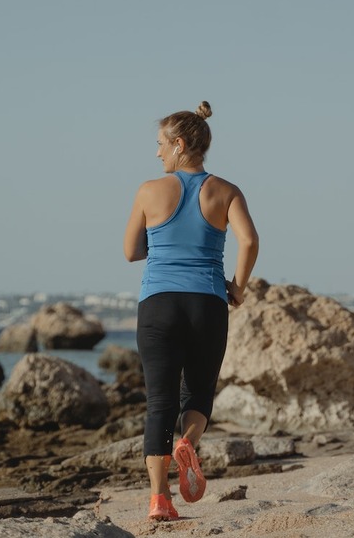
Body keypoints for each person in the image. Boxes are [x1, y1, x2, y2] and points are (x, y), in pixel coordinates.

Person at [123, 101, 259, 521]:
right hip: (207, 302)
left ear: (180, 144)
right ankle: (188, 444)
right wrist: (237, 287)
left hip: (159, 304)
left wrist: (162, 242)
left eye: (161, 144)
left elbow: (131, 252)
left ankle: (160, 499)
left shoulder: (149, 190)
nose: (158, 153)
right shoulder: (226, 190)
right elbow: (249, 241)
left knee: (159, 402)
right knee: (198, 391)